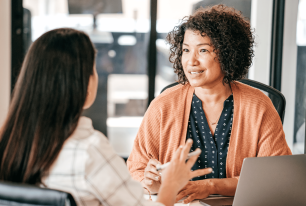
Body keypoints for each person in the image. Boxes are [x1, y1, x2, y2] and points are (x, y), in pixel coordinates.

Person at [0, 28, 212, 206]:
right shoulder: (90, 151)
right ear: (80, 83)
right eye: (93, 69)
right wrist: (171, 185)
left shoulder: (10, 143)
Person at [127, 4, 292, 204]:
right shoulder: (163, 105)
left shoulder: (258, 106)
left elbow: (274, 178)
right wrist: (151, 182)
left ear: (227, 53)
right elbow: (136, 168)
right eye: (186, 50)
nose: (191, 61)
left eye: (203, 50)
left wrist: (211, 186)